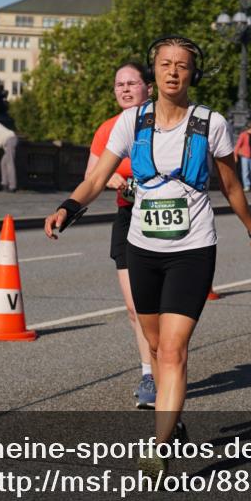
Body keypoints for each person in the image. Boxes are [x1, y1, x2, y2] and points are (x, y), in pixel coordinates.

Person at [44, 36, 251, 473]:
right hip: (143, 248)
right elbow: (96, 179)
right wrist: (68, 208)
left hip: (194, 248)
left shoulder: (211, 123)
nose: (172, 72)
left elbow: (232, 185)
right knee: (152, 342)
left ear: (192, 74)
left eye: (181, 65)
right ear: (155, 72)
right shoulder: (131, 122)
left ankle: (159, 449)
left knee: (173, 351)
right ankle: (174, 423)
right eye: (165, 64)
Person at [86, 62, 156, 408]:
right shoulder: (108, 129)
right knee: (135, 308)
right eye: (119, 85)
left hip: (164, 222)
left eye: (132, 83)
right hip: (128, 218)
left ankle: (166, 363)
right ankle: (149, 374)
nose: (125, 89)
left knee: (159, 306)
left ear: (149, 88)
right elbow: (91, 175)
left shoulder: (165, 124)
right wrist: (112, 178)